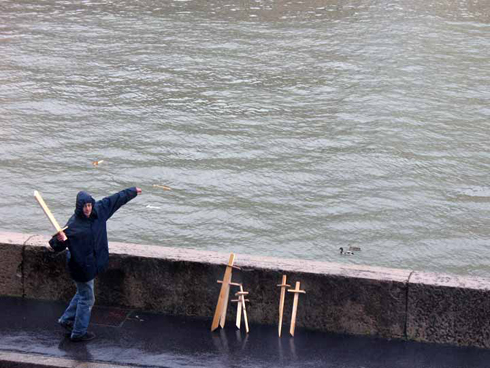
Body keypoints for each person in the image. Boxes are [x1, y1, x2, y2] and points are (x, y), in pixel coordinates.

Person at [49, 187, 142, 342]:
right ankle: (78, 332)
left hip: (91, 264)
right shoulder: (72, 225)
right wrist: (59, 240)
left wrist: (132, 191)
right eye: (84, 206)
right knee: (87, 299)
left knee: (82, 294)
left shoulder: (100, 211)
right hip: (80, 268)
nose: (87, 209)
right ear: (79, 207)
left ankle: (66, 320)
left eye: (89, 205)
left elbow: (115, 199)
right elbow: (55, 245)